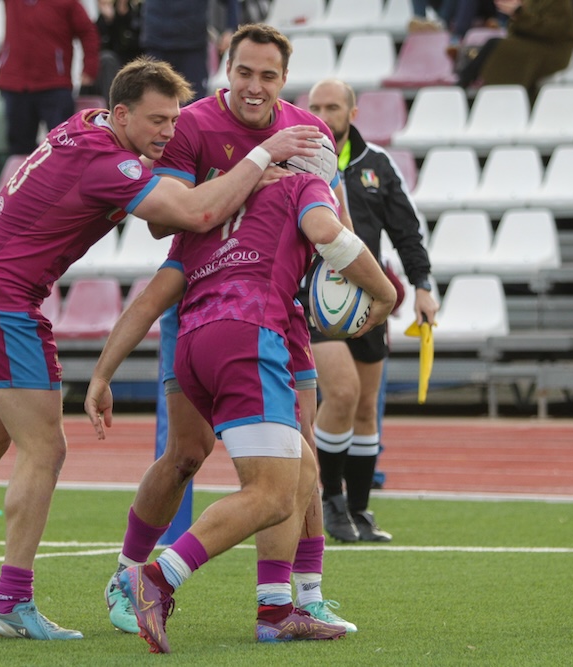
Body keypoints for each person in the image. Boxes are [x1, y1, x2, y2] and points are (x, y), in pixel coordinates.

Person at [0, 56, 323, 640]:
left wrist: (244, 178)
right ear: (121, 114)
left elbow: (184, 202)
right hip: (5, 296)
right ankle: (12, 601)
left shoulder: (83, 128)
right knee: (45, 450)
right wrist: (262, 156)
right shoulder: (106, 160)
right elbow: (192, 212)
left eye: (173, 120)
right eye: (157, 121)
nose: (170, 132)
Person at [87, 23, 359, 640]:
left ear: (283, 79)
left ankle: (294, 600)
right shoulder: (194, 126)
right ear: (225, 70)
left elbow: (330, 222)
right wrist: (251, 182)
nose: (255, 87)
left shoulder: (308, 133)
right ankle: (130, 573)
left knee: (303, 459)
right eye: (244, 73)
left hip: (278, 311)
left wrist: (330, 203)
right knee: (186, 454)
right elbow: (170, 222)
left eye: (268, 76)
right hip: (201, 299)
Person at [113, 169, 396, 654]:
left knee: (303, 467)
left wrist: (102, 373)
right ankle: (155, 579)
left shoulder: (213, 203)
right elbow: (332, 235)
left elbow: (153, 296)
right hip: (248, 334)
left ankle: (275, 612)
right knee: (271, 493)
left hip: (193, 342)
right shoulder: (302, 185)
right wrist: (387, 291)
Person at [305, 79, 439, 543]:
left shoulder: (376, 165)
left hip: (371, 297)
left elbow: (407, 232)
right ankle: (330, 502)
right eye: (316, 106)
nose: (325, 113)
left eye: (334, 106)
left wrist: (421, 287)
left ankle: (360, 510)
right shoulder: (298, 163)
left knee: (365, 408)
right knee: (339, 395)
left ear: (353, 112)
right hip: (318, 301)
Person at [0, 0, 101, 156]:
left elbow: (87, 32)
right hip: (17, 85)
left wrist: (90, 68)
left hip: (54, 85)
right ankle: (23, 181)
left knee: (64, 146)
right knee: (19, 150)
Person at [458, 0, 573, 100]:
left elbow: (553, 30)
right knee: (497, 44)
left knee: (498, 46)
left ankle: (466, 82)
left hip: (554, 50)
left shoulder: (559, 2)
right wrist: (516, 15)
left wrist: (518, 13)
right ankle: (466, 81)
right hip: (533, 45)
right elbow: (518, 29)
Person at [140, 0, 239, 100]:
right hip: (156, 45)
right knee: (153, 102)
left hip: (192, 48)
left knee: (193, 105)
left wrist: (230, 29)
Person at [95, 0, 144, 100]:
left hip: (137, 63)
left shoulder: (139, 12)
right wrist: (108, 22)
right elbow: (101, 46)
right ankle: (111, 105)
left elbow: (139, 43)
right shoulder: (106, 16)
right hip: (115, 65)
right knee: (106, 59)